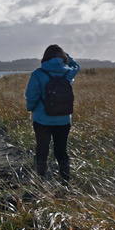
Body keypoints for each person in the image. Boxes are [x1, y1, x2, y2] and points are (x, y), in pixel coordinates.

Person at [25, 44, 80, 181]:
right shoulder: (68, 72)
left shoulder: (38, 73)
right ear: (62, 57)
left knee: (42, 151)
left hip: (42, 120)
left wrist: (30, 108)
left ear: (45, 57)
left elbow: (32, 95)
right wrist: (66, 56)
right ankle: (65, 182)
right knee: (61, 152)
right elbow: (76, 66)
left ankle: (39, 182)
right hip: (64, 119)